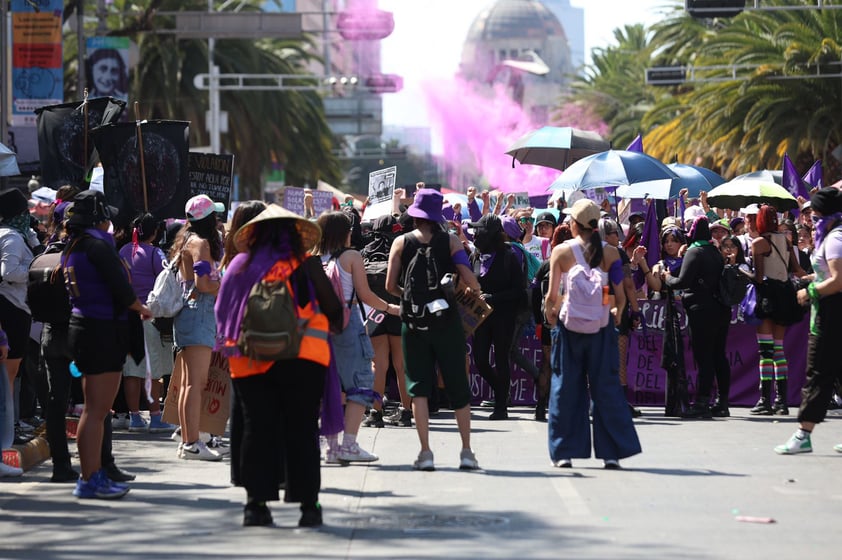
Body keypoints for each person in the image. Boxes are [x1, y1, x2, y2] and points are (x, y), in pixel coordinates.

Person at [216, 204, 342, 526]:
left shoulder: (240, 266)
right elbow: (335, 312)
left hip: (250, 362)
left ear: (254, 234)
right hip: (305, 359)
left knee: (257, 429)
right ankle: (308, 507)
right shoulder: (305, 264)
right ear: (295, 234)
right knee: (301, 429)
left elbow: (222, 314)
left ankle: (256, 505)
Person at [62, 190, 152, 498]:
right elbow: (121, 288)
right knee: (97, 411)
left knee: (94, 410)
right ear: (100, 218)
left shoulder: (73, 245)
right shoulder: (98, 245)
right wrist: (141, 308)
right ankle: (91, 479)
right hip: (100, 330)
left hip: (84, 328)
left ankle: (92, 475)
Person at [385, 188, 481, 471]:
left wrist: (411, 297)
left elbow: (390, 286)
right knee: (458, 388)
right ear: (437, 215)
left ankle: (425, 452)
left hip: (413, 323)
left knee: (419, 389)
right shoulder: (451, 241)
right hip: (447, 322)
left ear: (414, 215)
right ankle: (466, 451)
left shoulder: (400, 243)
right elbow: (472, 281)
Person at [544, 199, 641, 469]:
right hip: (601, 329)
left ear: (573, 224)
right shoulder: (611, 254)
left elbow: (552, 297)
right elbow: (619, 297)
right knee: (606, 388)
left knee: (565, 388)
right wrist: (616, 315)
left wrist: (551, 316)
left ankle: (564, 452)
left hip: (569, 329)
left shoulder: (561, 252)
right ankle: (611, 453)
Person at [315, 211, 400, 463]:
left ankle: (331, 447)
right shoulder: (351, 256)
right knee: (362, 381)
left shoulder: (313, 256)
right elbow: (364, 295)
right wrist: (390, 308)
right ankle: (349, 444)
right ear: (345, 232)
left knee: (329, 385)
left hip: (319, 326)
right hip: (347, 323)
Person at [775, 188, 842, 454]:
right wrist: (810, 279)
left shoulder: (836, 238)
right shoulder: (832, 236)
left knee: (818, 372)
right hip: (829, 311)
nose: (810, 219)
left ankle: (804, 434)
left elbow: (838, 281)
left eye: (814, 214)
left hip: (831, 315)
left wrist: (810, 290)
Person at [171, 195, 225, 461]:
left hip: (188, 314)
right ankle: (191, 442)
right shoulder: (201, 244)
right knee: (195, 383)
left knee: (188, 383)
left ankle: (188, 441)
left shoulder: (186, 240)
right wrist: (224, 285)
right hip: (199, 313)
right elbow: (204, 285)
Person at [664, 216, 732, 418]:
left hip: (702, 310)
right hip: (720, 309)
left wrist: (667, 277)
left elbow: (682, 281)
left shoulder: (695, 251)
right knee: (718, 355)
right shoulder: (715, 252)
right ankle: (722, 401)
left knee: (704, 356)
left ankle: (702, 402)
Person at [117, 213, 176, 433]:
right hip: (150, 317)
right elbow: (167, 280)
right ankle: (155, 416)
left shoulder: (122, 252)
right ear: (154, 232)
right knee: (154, 370)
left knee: (132, 370)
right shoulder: (155, 253)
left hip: (127, 317)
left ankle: (135, 418)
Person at [469, 214, 527, 420]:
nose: (475, 234)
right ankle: (501, 391)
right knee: (480, 359)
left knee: (502, 359)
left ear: (492, 234)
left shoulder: (509, 255)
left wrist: (493, 297)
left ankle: (501, 406)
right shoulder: (475, 255)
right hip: (481, 317)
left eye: (479, 231)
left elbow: (519, 290)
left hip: (504, 317)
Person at [749, 205, 806, 416]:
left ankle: (765, 400)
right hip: (785, 295)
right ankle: (782, 401)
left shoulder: (758, 243)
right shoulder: (786, 240)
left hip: (768, 296)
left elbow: (758, 277)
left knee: (765, 351)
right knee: (779, 350)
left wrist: (741, 272)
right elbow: (797, 269)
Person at [359, 214, 412, 429]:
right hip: (399, 311)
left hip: (375, 313)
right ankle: (406, 413)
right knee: (402, 365)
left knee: (378, 365)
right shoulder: (403, 249)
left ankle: (375, 412)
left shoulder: (365, 252)